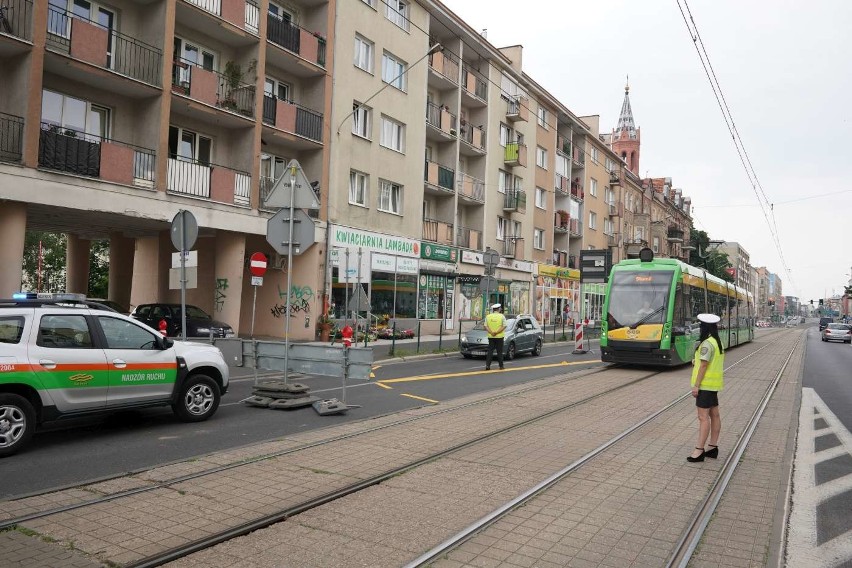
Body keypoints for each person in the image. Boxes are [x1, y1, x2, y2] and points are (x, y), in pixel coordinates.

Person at [687, 313, 725, 462]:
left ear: (704, 327)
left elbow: (704, 365)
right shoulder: (716, 341)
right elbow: (706, 362)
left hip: (705, 386)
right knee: (714, 415)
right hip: (713, 385)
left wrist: (696, 385)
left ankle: (699, 450)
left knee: (703, 417)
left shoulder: (707, 343)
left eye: (700, 326)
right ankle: (713, 447)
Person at [484, 303, 507, 371]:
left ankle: (487, 366)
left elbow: (485, 326)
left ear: (493, 309)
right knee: (499, 352)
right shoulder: (502, 316)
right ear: (499, 309)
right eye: (500, 308)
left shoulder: (488, 316)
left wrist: (491, 332)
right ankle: (501, 366)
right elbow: (504, 326)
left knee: (490, 351)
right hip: (499, 337)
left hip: (491, 337)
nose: (500, 309)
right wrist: (496, 332)